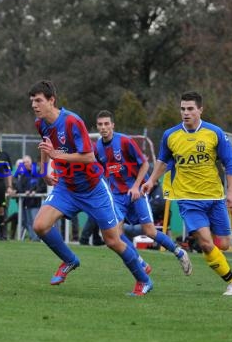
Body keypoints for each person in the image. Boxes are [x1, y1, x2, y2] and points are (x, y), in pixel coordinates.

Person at [28, 80, 152, 295]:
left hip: (93, 189)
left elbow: (89, 156)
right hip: (66, 187)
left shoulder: (72, 122)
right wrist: (44, 168)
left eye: (38, 100)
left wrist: (57, 155)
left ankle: (144, 280)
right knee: (39, 226)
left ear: (51, 100)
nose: (34, 105)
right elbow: (46, 144)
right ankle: (69, 260)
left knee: (112, 240)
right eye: (32, 101)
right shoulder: (41, 123)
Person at [141, 91, 232, 296]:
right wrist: (151, 181)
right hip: (188, 198)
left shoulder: (214, 133)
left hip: (214, 197)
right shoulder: (171, 135)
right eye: (182, 109)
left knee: (222, 244)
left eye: (190, 109)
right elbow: (162, 161)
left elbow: (230, 162)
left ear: (200, 110)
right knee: (205, 243)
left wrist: (231, 192)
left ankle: (216, 260)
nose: (185, 113)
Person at [95, 110, 192, 275]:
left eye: (106, 124)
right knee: (114, 234)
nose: (103, 127)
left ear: (112, 125)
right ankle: (140, 263)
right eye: (100, 124)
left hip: (137, 191)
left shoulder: (125, 141)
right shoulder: (97, 148)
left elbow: (145, 165)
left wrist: (135, 186)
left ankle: (179, 252)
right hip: (117, 196)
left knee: (150, 231)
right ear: (97, 127)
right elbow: (102, 171)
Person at [15, 155, 46, 241]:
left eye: (27, 162)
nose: (25, 164)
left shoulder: (36, 172)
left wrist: (34, 191)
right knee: (28, 222)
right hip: (26, 202)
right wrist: (23, 191)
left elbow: (40, 185)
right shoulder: (23, 175)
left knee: (35, 222)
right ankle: (34, 238)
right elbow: (20, 186)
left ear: (31, 162)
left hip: (36, 202)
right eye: (24, 162)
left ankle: (37, 238)